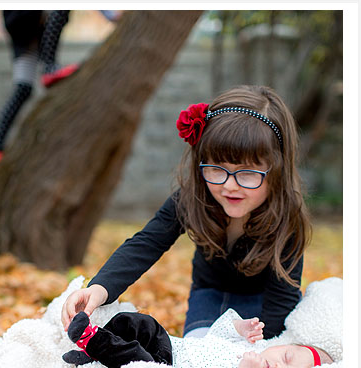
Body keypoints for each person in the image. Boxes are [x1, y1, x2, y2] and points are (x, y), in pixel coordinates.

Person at [60, 85, 312, 341]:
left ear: (276, 172)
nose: (229, 185)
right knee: (197, 354)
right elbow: (147, 243)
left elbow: (283, 296)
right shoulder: (193, 199)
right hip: (209, 297)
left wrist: (265, 346)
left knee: (254, 363)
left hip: (264, 305)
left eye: (247, 173)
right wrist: (99, 289)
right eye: (217, 168)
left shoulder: (286, 217)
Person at [0, 10, 120, 165]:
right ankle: (49, 66)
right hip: (24, 18)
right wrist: (109, 15)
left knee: (23, 88)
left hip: (24, 31)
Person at [63, 309, 332, 368]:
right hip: (170, 344)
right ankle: (93, 354)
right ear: (279, 345)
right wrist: (242, 327)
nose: (279, 367)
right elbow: (219, 331)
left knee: (135, 360)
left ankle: (91, 339)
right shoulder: (246, 347)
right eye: (286, 356)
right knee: (139, 323)